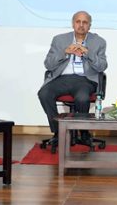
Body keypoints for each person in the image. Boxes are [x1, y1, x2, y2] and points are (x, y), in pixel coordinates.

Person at [38, 11, 108, 146]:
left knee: (82, 97)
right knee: (44, 93)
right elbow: (48, 64)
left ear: (90, 26)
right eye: (78, 22)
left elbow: (102, 66)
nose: (81, 25)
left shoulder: (99, 42)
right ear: (73, 24)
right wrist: (65, 52)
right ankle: (58, 132)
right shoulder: (59, 40)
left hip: (85, 80)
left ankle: (84, 133)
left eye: (85, 22)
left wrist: (88, 53)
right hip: (62, 78)